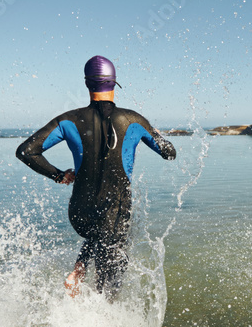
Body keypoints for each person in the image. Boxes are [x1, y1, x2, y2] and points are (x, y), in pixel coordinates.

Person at [16, 55, 176, 297]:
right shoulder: (133, 120)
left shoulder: (68, 119)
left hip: (79, 212)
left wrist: (59, 175)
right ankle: (100, 319)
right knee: (109, 289)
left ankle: (78, 271)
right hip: (115, 213)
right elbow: (169, 153)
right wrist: (150, 133)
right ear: (114, 83)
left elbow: (26, 151)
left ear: (87, 84)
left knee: (95, 232)